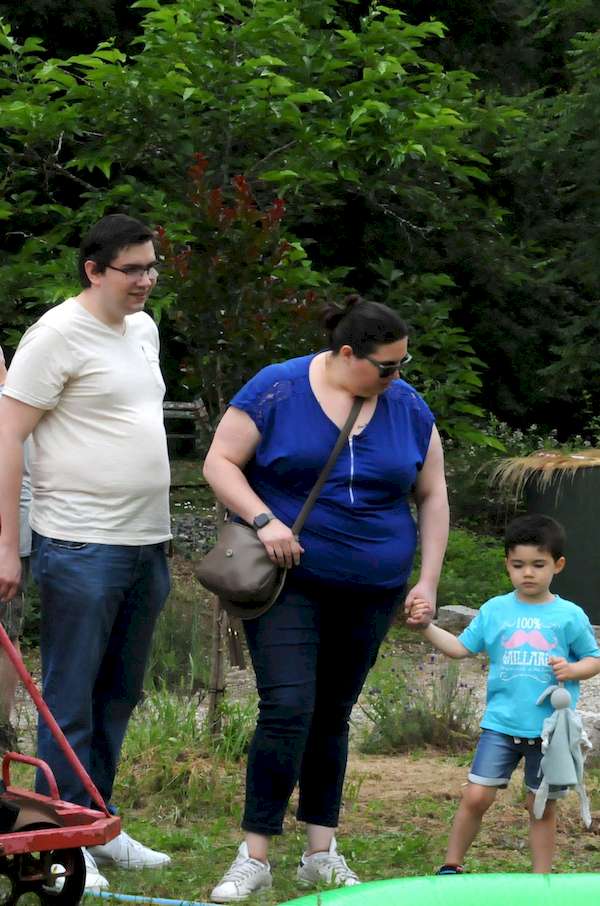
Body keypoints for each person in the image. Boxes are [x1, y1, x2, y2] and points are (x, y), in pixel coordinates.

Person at [203, 295, 448, 902]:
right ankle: (254, 854)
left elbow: (433, 494)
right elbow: (220, 460)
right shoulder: (278, 389)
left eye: (403, 364)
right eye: (387, 366)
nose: (398, 376)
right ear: (346, 354)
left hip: (372, 589)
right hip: (291, 582)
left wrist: (427, 581)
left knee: (333, 714)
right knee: (287, 706)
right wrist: (265, 520)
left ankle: (320, 851)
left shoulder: (408, 406)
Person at [0, 215, 172, 890]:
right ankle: (57, 839)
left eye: (153, 266)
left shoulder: (144, 330)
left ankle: (102, 822)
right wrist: (7, 546)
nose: (146, 280)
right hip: (78, 541)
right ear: (93, 270)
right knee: (69, 697)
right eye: (133, 269)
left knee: (118, 694)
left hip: (146, 544)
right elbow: (8, 437)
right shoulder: (55, 335)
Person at [411, 513, 600, 875]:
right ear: (507, 565)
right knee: (476, 796)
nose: (528, 573)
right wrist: (426, 628)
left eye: (538, 565)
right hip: (500, 725)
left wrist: (574, 670)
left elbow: (593, 659)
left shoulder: (568, 615)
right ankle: (451, 866)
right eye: (518, 565)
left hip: (549, 734)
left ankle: (540, 882)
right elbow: (459, 648)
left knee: (540, 806)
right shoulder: (495, 610)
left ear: (557, 565)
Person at [0, 344, 32, 753]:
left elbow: (22, 486)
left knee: (6, 636)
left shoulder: (11, 411)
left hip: (6, 544)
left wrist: (11, 547)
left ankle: (1, 732)